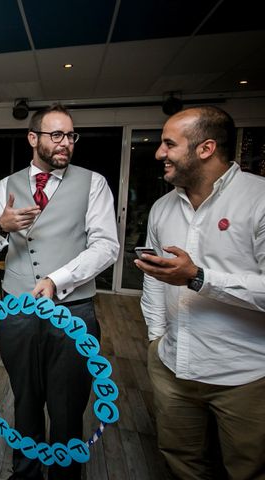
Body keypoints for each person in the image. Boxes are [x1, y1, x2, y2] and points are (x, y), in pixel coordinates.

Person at [0, 105, 119, 480]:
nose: (65, 143)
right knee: (24, 397)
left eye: (70, 136)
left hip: (73, 312)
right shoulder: (6, 186)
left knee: (68, 404)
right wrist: (0, 226)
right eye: (56, 135)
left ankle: (65, 476)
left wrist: (58, 279)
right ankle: (25, 473)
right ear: (33, 138)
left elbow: (106, 247)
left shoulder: (94, 183)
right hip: (16, 311)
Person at [136, 105, 265, 479]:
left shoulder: (258, 200)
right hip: (172, 367)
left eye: (169, 144)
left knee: (248, 470)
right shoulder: (162, 208)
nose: (159, 153)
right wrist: (155, 339)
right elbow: (153, 280)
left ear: (205, 148)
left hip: (243, 376)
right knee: (182, 463)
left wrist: (198, 278)